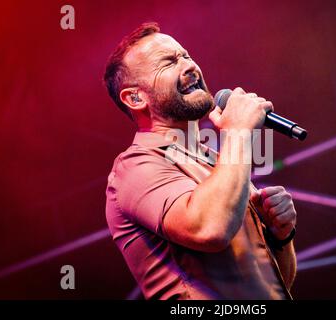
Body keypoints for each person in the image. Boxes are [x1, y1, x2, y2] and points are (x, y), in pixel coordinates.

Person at [104, 22, 297, 300]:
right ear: (135, 97)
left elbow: (275, 286)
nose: (189, 66)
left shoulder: (218, 164)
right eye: (169, 62)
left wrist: (281, 237)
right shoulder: (134, 167)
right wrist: (239, 132)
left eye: (186, 56)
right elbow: (210, 229)